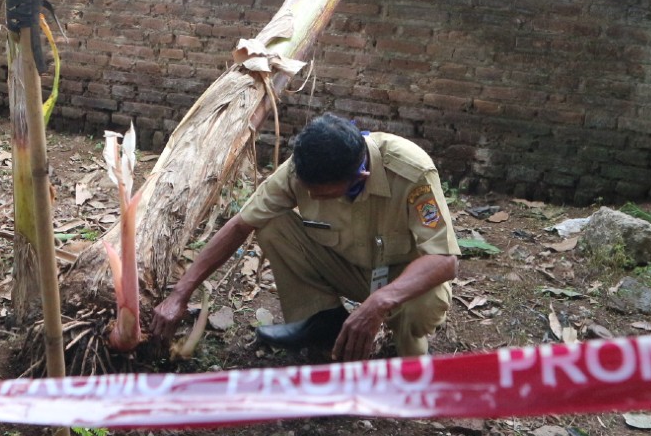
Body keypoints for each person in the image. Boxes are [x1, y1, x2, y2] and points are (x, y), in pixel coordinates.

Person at [150, 113, 460, 361]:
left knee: (421, 312)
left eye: (323, 195)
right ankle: (324, 323)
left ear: (360, 178)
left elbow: (444, 261)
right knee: (271, 223)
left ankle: (405, 346)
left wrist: (379, 302)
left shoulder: (410, 170)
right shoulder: (298, 171)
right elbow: (240, 226)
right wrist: (180, 294)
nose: (311, 197)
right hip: (346, 268)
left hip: (401, 280)